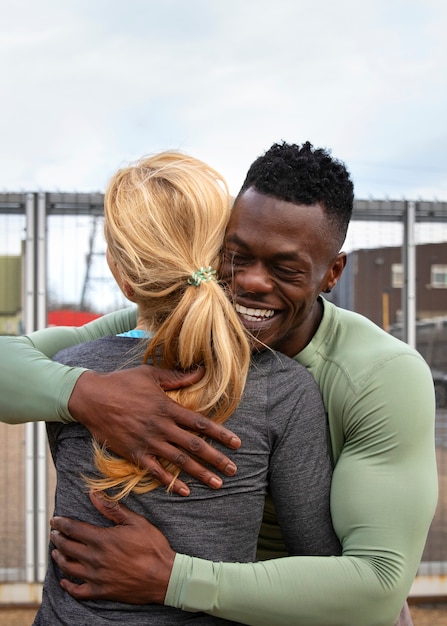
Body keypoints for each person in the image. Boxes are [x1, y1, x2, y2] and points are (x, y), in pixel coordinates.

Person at [0, 142, 438, 625]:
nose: (251, 282)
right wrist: (85, 393)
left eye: (285, 268)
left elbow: (373, 588)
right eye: (236, 256)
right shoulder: (165, 328)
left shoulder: (378, 376)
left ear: (331, 273)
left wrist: (173, 579)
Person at [31, 150, 340, 625]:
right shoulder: (284, 388)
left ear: (121, 273)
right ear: (224, 257)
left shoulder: (69, 372)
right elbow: (318, 561)